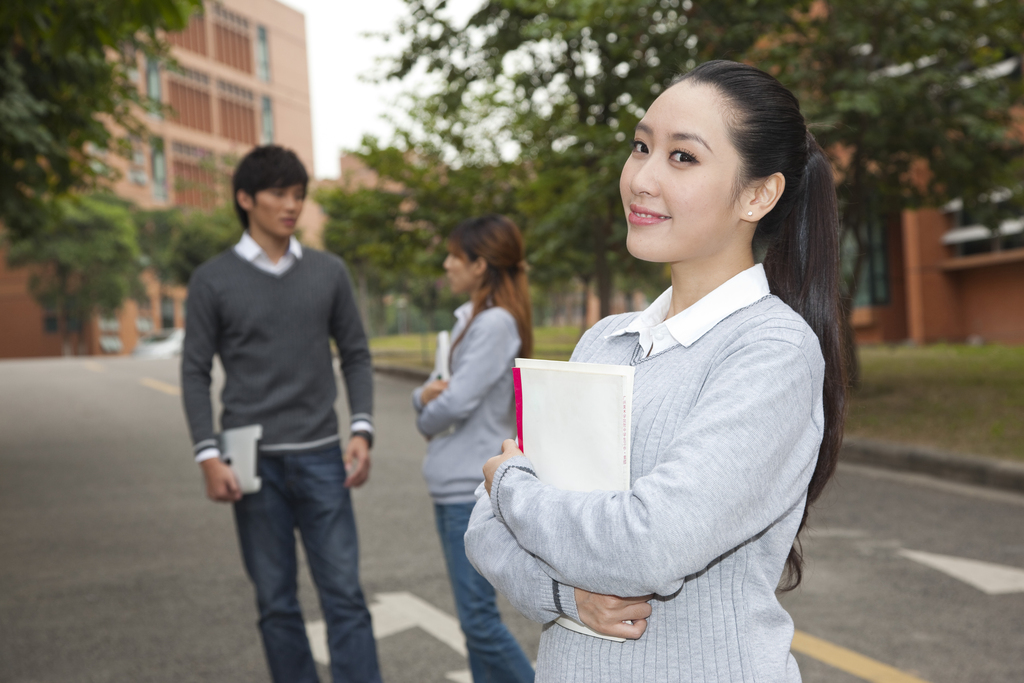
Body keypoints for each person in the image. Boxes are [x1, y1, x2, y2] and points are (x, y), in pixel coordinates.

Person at [464, 60, 846, 682]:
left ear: (758, 194)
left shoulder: (772, 350)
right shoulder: (605, 342)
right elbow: (483, 530)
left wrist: (511, 484)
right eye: (641, 147)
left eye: (683, 158)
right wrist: (568, 598)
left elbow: (647, 545)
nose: (642, 178)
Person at [180, 145, 381, 683]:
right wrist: (207, 454)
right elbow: (194, 371)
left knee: (344, 596)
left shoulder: (328, 272)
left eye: (298, 195)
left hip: (320, 455)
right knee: (275, 602)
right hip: (249, 462)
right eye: (278, 194)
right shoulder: (212, 280)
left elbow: (356, 355)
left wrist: (361, 427)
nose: (291, 205)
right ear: (246, 199)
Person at [412, 215, 536, 683]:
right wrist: (424, 399)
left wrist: (425, 413)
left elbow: (453, 400)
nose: (446, 264)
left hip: (470, 486)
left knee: (479, 623)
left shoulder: (494, 325)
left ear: (480, 265)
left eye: (455, 257)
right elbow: (432, 390)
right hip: (456, 482)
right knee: (473, 626)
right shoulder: (471, 321)